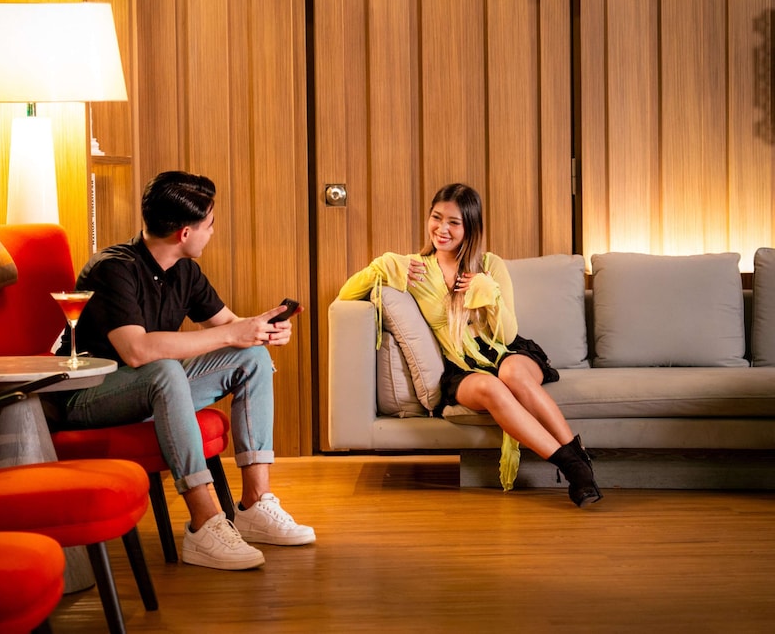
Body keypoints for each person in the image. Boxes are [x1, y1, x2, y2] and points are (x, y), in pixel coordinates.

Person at [55, 170, 315, 570]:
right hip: (89, 397)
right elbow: (137, 351)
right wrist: (233, 334)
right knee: (164, 369)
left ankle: (255, 504)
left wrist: (261, 330)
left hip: (156, 391)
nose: (212, 233)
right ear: (185, 233)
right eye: (209, 225)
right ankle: (204, 523)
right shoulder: (113, 269)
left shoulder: (185, 271)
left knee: (252, 358)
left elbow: (229, 327)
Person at [337, 183, 602, 507]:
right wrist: (383, 265)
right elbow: (346, 295)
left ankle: (577, 466)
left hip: (506, 352)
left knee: (512, 376)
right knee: (491, 387)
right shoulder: (414, 268)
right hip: (461, 367)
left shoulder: (490, 265)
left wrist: (488, 292)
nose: (442, 229)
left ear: (470, 227)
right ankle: (574, 465)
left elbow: (507, 335)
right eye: (437, 218)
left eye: (454, 222)